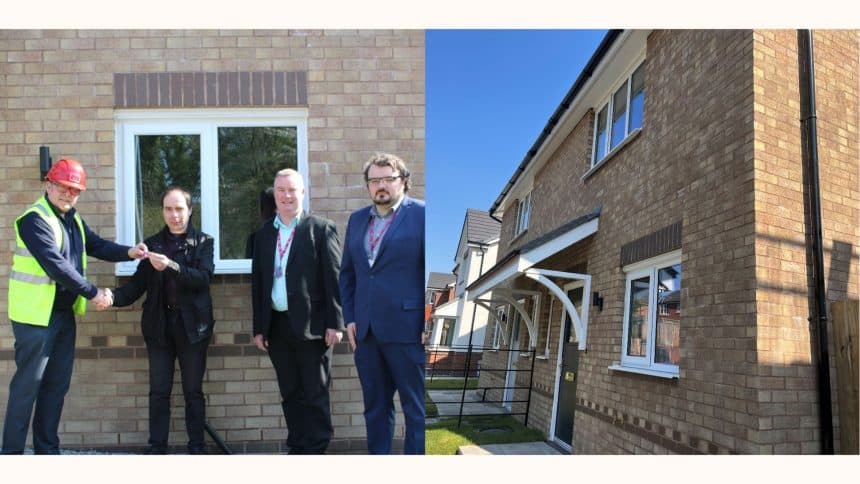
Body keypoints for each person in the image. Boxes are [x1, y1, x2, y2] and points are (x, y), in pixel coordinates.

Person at [2, 158, 147, 455]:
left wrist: (130, 253)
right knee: (27, 388)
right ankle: (11, 459)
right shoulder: (34, 219)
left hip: (62, 315)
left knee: (56, 387)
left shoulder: (72, 218)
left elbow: (96, 245)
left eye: (75, 190)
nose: (69, 194)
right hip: (34, 318)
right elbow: (57, 267)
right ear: (48, 184)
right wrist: (94, 293)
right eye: (64, 187)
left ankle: (47, 454)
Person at [105, 186, 214, 455]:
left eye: (179, 209)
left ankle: (197, 449)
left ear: (190, 210)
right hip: (159, 327)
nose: (174, 215)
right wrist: (110, 297)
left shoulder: (204, 242)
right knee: (159, 391)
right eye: (168, 209)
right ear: (163, 211)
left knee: (193, 392)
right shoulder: (152, 244)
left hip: (193, 329)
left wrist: (171, 266)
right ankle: (157, 449)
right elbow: (136, 287)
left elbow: (203, 278)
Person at [250, 169, 344, 454]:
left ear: (303, 193)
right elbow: (258, 283)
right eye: (281, 190)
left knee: (315, 393)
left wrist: (335, 323)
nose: (287, 196)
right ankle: (298, 447)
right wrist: (259, 328)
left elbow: (334, 279)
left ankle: (315, 451)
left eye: (292, 190)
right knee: (290, 393)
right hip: (277, 327)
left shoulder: (321, 228)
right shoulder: (264, 234)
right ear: (274, 194)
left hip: (313, 328)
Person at [338, 153, 425, 454]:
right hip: (366, 333)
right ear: (368, 186)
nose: (381, 186)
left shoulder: (422, 215)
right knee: (375, 410)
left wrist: (427, 321)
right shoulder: (357, 220)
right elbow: (347, 274)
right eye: (375, 180)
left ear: (404, 181)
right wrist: (349, 317)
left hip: (408, 331)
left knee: (416, 412)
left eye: (388, 178)